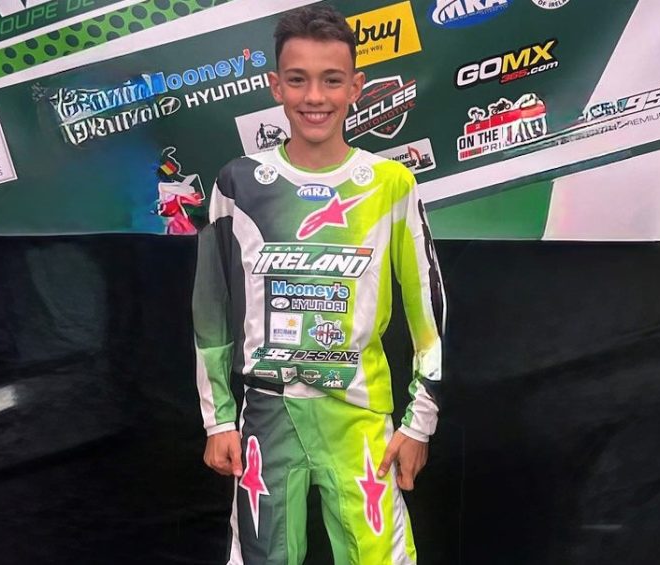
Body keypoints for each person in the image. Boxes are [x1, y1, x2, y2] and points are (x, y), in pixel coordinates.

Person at [192, 5, 446, 564]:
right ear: (275, 86)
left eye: (332, 80)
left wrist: (419, 424)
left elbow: (427, 315)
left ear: (355, 87)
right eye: (298, 79)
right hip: (266, 413)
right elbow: (210, 312)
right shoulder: (237, 183)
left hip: (359, 417)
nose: (314, 97)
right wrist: (217, 418)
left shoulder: (390, 183)